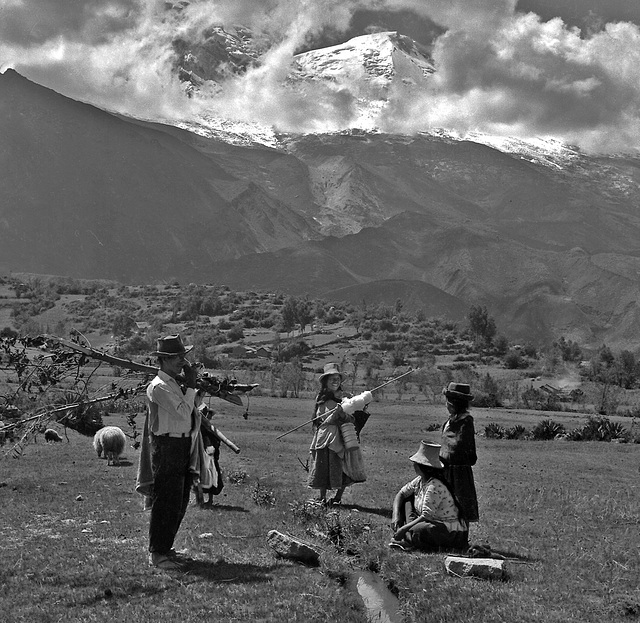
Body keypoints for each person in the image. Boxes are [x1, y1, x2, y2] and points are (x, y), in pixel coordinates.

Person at [138, 334, 200, 570]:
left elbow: (190, 410)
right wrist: (192, 385)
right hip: (167, 446)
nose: (181, 361)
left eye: (182, 356)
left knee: (179, 500)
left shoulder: (174, 383)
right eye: (175, 357)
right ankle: (157, 553)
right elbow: (184, 413)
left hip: (181, 445)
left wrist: (191, 389)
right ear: (162, 360)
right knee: (166, 500)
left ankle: (166, 547)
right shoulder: (159, 387)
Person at [390, 441, 469, 552]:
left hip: (448, 530)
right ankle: (409, 537)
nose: (414, 465)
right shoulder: (420, 480)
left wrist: (404, 528)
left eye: (416, 463)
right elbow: (401, 493)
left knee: (422, 529)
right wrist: (396, 516)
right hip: (428, 520)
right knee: (406, 500)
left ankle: (408, 537)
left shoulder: (434, 486)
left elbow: (427, 516)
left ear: (422, 466)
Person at [307, 363, 366, 506]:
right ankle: (322, 497)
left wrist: (349, 410)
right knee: (323, 466)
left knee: (342, 466)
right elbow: (318, 418)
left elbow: (352, 418)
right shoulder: (321, 398)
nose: (335, 382)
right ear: (325, 381)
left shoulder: (347, 398)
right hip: (323, 436)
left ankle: (338, 498)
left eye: (337, 379)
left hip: (341, 437)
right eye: (332, 379)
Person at [439, 382, 479, 523]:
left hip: (459, 472)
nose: (446, 405)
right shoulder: (449, 422)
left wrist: (447, 456)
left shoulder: (466, 422)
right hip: (445, 469)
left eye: (447, 402)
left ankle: (460, 536)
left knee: (461, 505)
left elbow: (461, 445)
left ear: (453, 403)